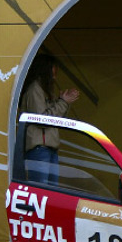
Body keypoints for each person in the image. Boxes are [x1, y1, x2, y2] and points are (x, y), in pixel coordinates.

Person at [20, 54, 80, 184]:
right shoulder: (35, 89)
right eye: (53, 73)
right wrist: (63, 102)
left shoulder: (45, 90)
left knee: (51, 194)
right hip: (39, 149)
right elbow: (43, 120)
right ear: (44, 70)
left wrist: (62, 101)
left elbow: (57, 119)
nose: (54, 77)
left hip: (49, 149)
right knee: (42, 193)